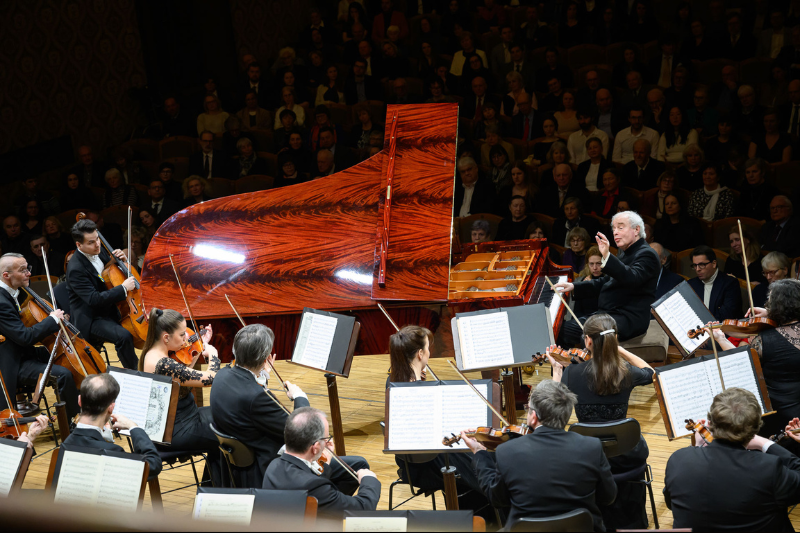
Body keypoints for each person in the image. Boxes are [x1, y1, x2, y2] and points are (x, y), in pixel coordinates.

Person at [462, 379, 616, 530]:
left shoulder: (508, 452)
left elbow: (497, 499)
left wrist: (479, 453)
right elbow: (608, 497)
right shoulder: (592, 447)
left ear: (534, 416)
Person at [547, 313, 654, 529]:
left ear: (587, 340)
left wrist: (558, 372)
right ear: (613, 339)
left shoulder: (572, 373)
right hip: (625, 454)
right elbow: (651, 373)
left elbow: (553, 410)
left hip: (586, 457)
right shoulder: (626, 372)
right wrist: (619, 349)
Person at [664, 387, 800, 531]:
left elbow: (672, 503)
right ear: (755, 429)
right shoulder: (768, 469)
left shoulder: (678, 460)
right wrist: (764, 442)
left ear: (710, 423)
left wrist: (697, 447)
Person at [210, 324, 310, 488]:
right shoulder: (256, 398)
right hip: (268, 467)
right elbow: (300, 431)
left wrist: (261, 377)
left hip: (236, 468)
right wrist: (300, 397)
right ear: (265, 359)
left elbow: (245, 391)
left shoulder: (222, 375)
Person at [140, 308, 222, 485]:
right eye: (182, 335)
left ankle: (212, 486)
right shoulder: (162, 363)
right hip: (177, 429)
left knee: (227, 417)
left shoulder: (153, 353)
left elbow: (185, 374)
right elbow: (210, 379)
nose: (187, 339)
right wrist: (213, 354)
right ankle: (216, 488)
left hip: (184, 418)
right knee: (227, 434)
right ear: (166, 337)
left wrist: (199, 347)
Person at [554, 211, 660, 346]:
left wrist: (607, 256)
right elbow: (607, 281)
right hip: (609, 315)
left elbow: (632, 279)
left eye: (620, 227)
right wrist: (575, 286)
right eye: (613, 228)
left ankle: (576, 366)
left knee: (569, 332)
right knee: (561, 328)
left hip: (627, 319)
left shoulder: (647, 254)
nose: (615, 232)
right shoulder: (627, 253)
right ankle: (567, 365)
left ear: (636, 229)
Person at [261, 407, 379, 519]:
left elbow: (310, 482)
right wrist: (369, 480)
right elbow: (362, 508)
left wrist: (325, 464)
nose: (327, 442)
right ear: (315, 447)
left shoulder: (274, 466)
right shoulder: (313, 486)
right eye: (325, 439)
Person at [0, 253, 78, 418]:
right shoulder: (1, 302)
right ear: (6, 275)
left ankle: (83, 407)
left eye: (28, 268)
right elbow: (25, 337)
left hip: (24, 352)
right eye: (23, 270)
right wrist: (52, 320)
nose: (29, 273)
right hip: (14, 363)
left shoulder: (15, 291)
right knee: (63, 374)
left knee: (72, 355)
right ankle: (72, 422)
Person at [66, 218, 138, 370]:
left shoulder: (98, 251)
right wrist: (123, 289)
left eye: (97, 239)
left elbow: (108, 273)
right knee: (123, 336)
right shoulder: (75, 269)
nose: (97, 244)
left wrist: (120, 261)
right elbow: (94, 299)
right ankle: (135, 375)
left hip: (110, 308)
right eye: (91, 242)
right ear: (79, 245)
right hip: (91, 317)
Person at [62, 373, 161, 480]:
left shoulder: (65, 445)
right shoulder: (113, 452)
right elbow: (153, 463)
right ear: (111, 407)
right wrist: (133, 427)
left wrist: (104, 438)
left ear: (79, 401)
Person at [687, 245, 742, 322]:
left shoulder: (730, 283)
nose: (697, 269)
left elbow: (727, 315)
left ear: (713, 264)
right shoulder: (691, 284)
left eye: (702, 265)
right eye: (695, 265)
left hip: (721, 330)